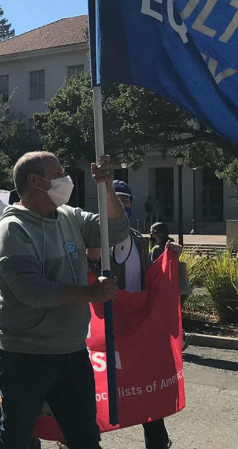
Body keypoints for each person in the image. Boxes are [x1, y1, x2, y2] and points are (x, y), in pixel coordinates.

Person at [0, 152, 124, 449]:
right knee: (16, 434)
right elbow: (32, 291)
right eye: (58, 172)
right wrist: (89, 293)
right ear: (34, 181)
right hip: (24, 356)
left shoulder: (68, 216)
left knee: (85, 436)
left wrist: (107, 186)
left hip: (72, 352)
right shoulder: (12, 230)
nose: (66, 179)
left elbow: (113, 231)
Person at [90, 181, 172, 449]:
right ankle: (84, 439)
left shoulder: (138, 238)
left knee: (145, 387)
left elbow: (148, 277)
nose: (121, 205)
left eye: (125, 200)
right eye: (115, 200)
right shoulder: (94, 238)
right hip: (107, 324)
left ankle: (157, 442)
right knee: (100, 389)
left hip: (138, 326)